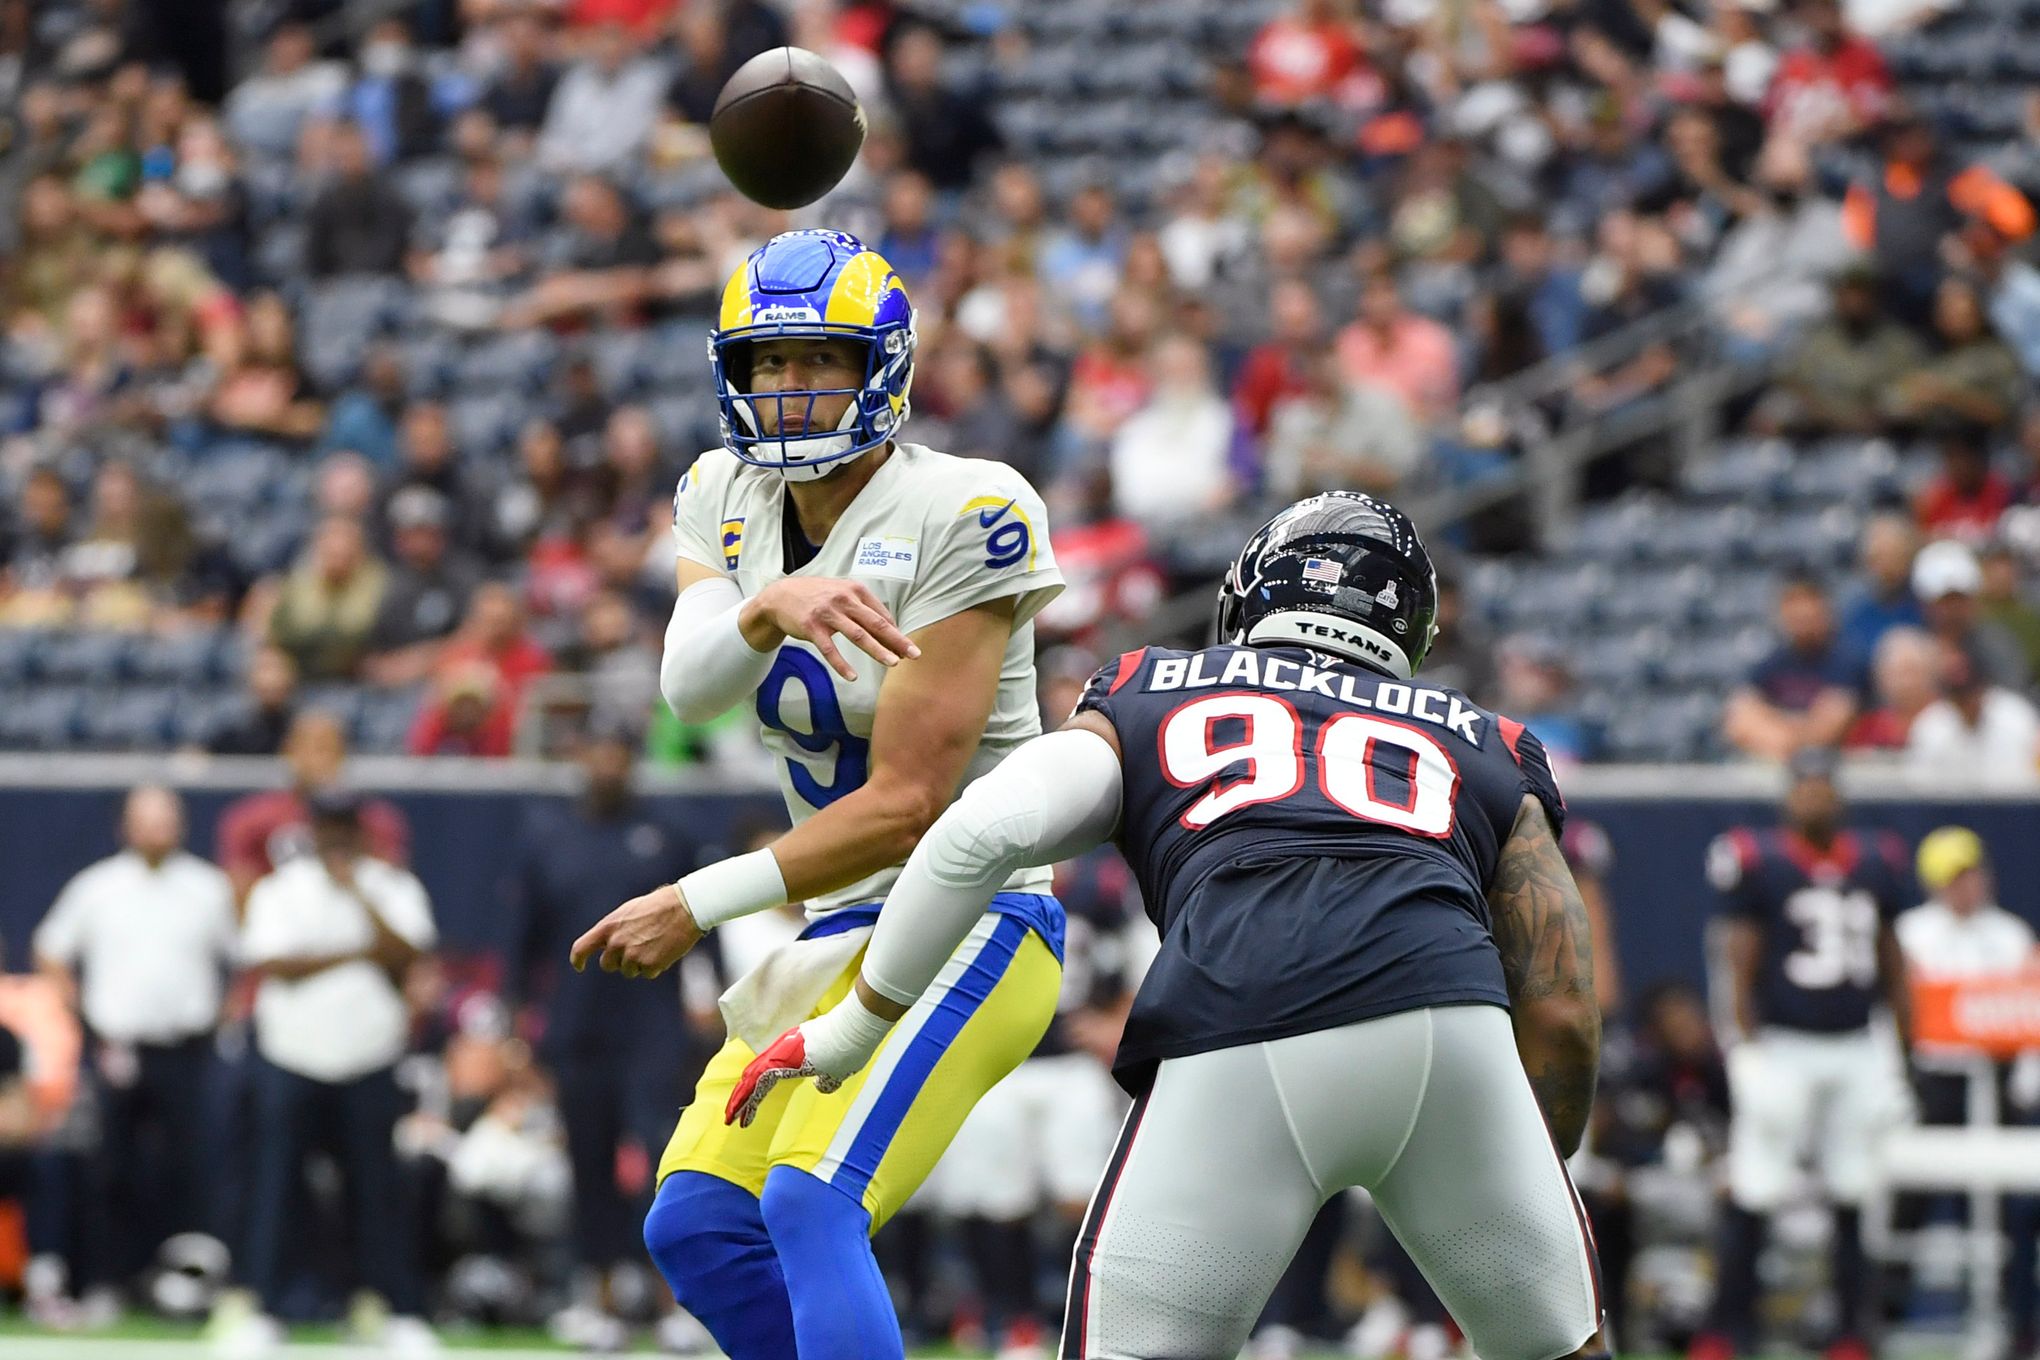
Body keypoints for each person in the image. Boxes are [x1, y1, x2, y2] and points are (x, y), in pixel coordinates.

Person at [734, 492, 1608, 1360]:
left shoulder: (1151, 686)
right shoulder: (1487, 739)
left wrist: (853, 1030)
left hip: (1242, 1020)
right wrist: (1524, 1162)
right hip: (1451, 1026)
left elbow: (979, 831)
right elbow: (1563, 1002)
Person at [567, 229, 1067, 1360]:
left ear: (880, 367)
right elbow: (691, 692)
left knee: (808, 1201)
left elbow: (910, 802)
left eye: (819, 362)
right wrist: (761, 608)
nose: (788, 392)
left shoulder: (968, 505)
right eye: (768, 365)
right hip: (836, 925)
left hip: (969, 915)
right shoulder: (722, 491)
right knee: (700, 1221)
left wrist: (696, 901)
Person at [1692, 749, 1914, 1360]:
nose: (1815, 797)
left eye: (1824, 785)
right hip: (1784, 1044)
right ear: (1788, 796)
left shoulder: (1878, 859)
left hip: (1855, 1045)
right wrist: (1744, 1048)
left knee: (1852, 1191)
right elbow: (1737, 958)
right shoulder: (1757, 859)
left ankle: (1851, 1332)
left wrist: (1903, 1049)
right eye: (1805, 786)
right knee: (1756, 1186)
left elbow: (1894, 961)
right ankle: (1728, 1330)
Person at [503, 724, 697, 1350]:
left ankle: (675, 1303)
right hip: (577, 1030)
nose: (609, 761)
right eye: (599, 749)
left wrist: (709, 1007)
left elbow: (704, 934)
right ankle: (603, 1296)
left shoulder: (668, 835)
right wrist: (516, 1025)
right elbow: (522, 943)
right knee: (588, 1164)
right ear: (581, 755)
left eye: (620, 750)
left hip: (653, 1029)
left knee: (664, 1164)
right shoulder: (548, 838)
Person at [231, 788, 438, 1357]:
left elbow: (409, 953)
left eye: (346, 825)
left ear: (362, 830)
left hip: (368, 1056)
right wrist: (354, 954)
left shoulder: (392, 886)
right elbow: (271, 962)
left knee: (377, 1189)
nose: (337, 837)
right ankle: (266, 1308)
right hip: (291, 1055)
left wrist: (360, 900)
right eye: (327, 825)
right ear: (311, 828)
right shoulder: (280, 887)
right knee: (278, 1187)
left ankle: (398, 1310)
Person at [31, 787, 235, 1306]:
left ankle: (189, 1288)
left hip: (187, 1049)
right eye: (145, 820)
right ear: (124, 827)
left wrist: (226, 1014)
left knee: (190, 1170)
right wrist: (85, 1017)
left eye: (165, 819)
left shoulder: (208, 887)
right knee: (109, 1170)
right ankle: (106, 1284)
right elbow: (51, 948)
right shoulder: (98, 887)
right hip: (114, 1047)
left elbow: (245, 957)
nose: (155, 830)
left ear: (183, 825)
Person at [1721, 572, 1864, 763]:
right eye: (1791, 601)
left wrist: (1769, 719)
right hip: (1778, 769)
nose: (1801, 611)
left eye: (1808, 600)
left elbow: (1825, 731)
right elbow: (1739, 722)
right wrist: (1792, 733)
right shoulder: (1772, 661)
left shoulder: (1847, 661)